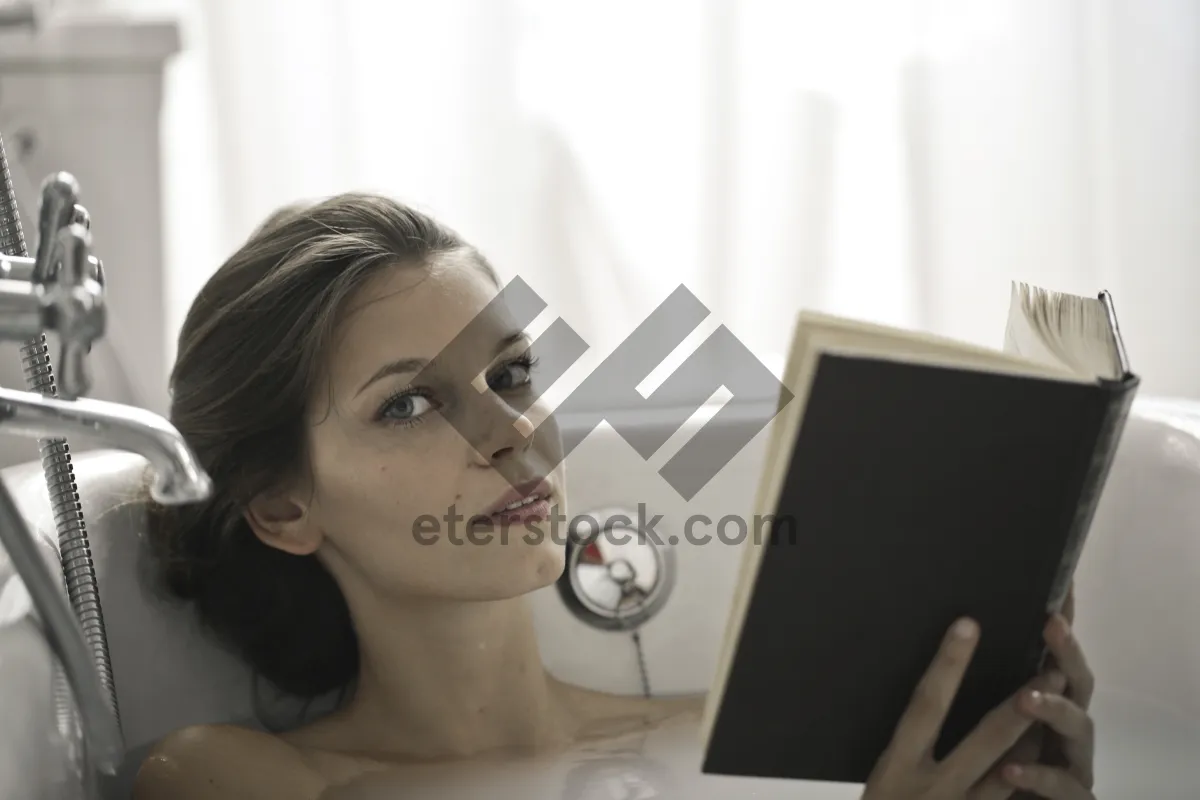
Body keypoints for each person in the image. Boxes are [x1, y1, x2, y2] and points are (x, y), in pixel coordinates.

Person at [132, 193, 1098, 800]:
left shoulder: (728, 745)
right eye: (411, 404)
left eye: (511, 373)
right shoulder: (236, 778)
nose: (512, 429)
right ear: (284, 510)